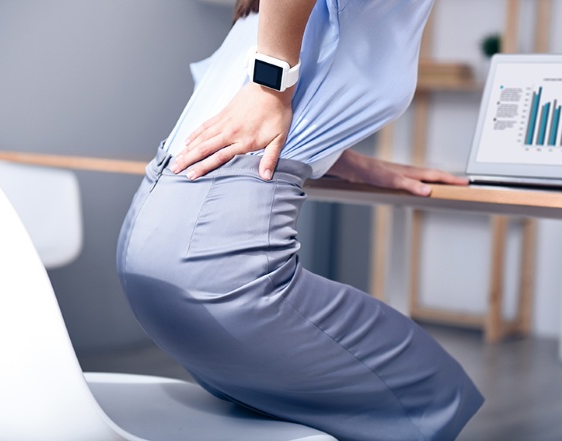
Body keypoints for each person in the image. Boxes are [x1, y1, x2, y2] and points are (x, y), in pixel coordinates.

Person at [116, 1, 484, 440]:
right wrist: (271, 88)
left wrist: (347, 162)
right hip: (215, 266)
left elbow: (267, 110)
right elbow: (265, 101)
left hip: (147, 251)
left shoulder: (266, 16)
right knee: (429, 390)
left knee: (281, 413)